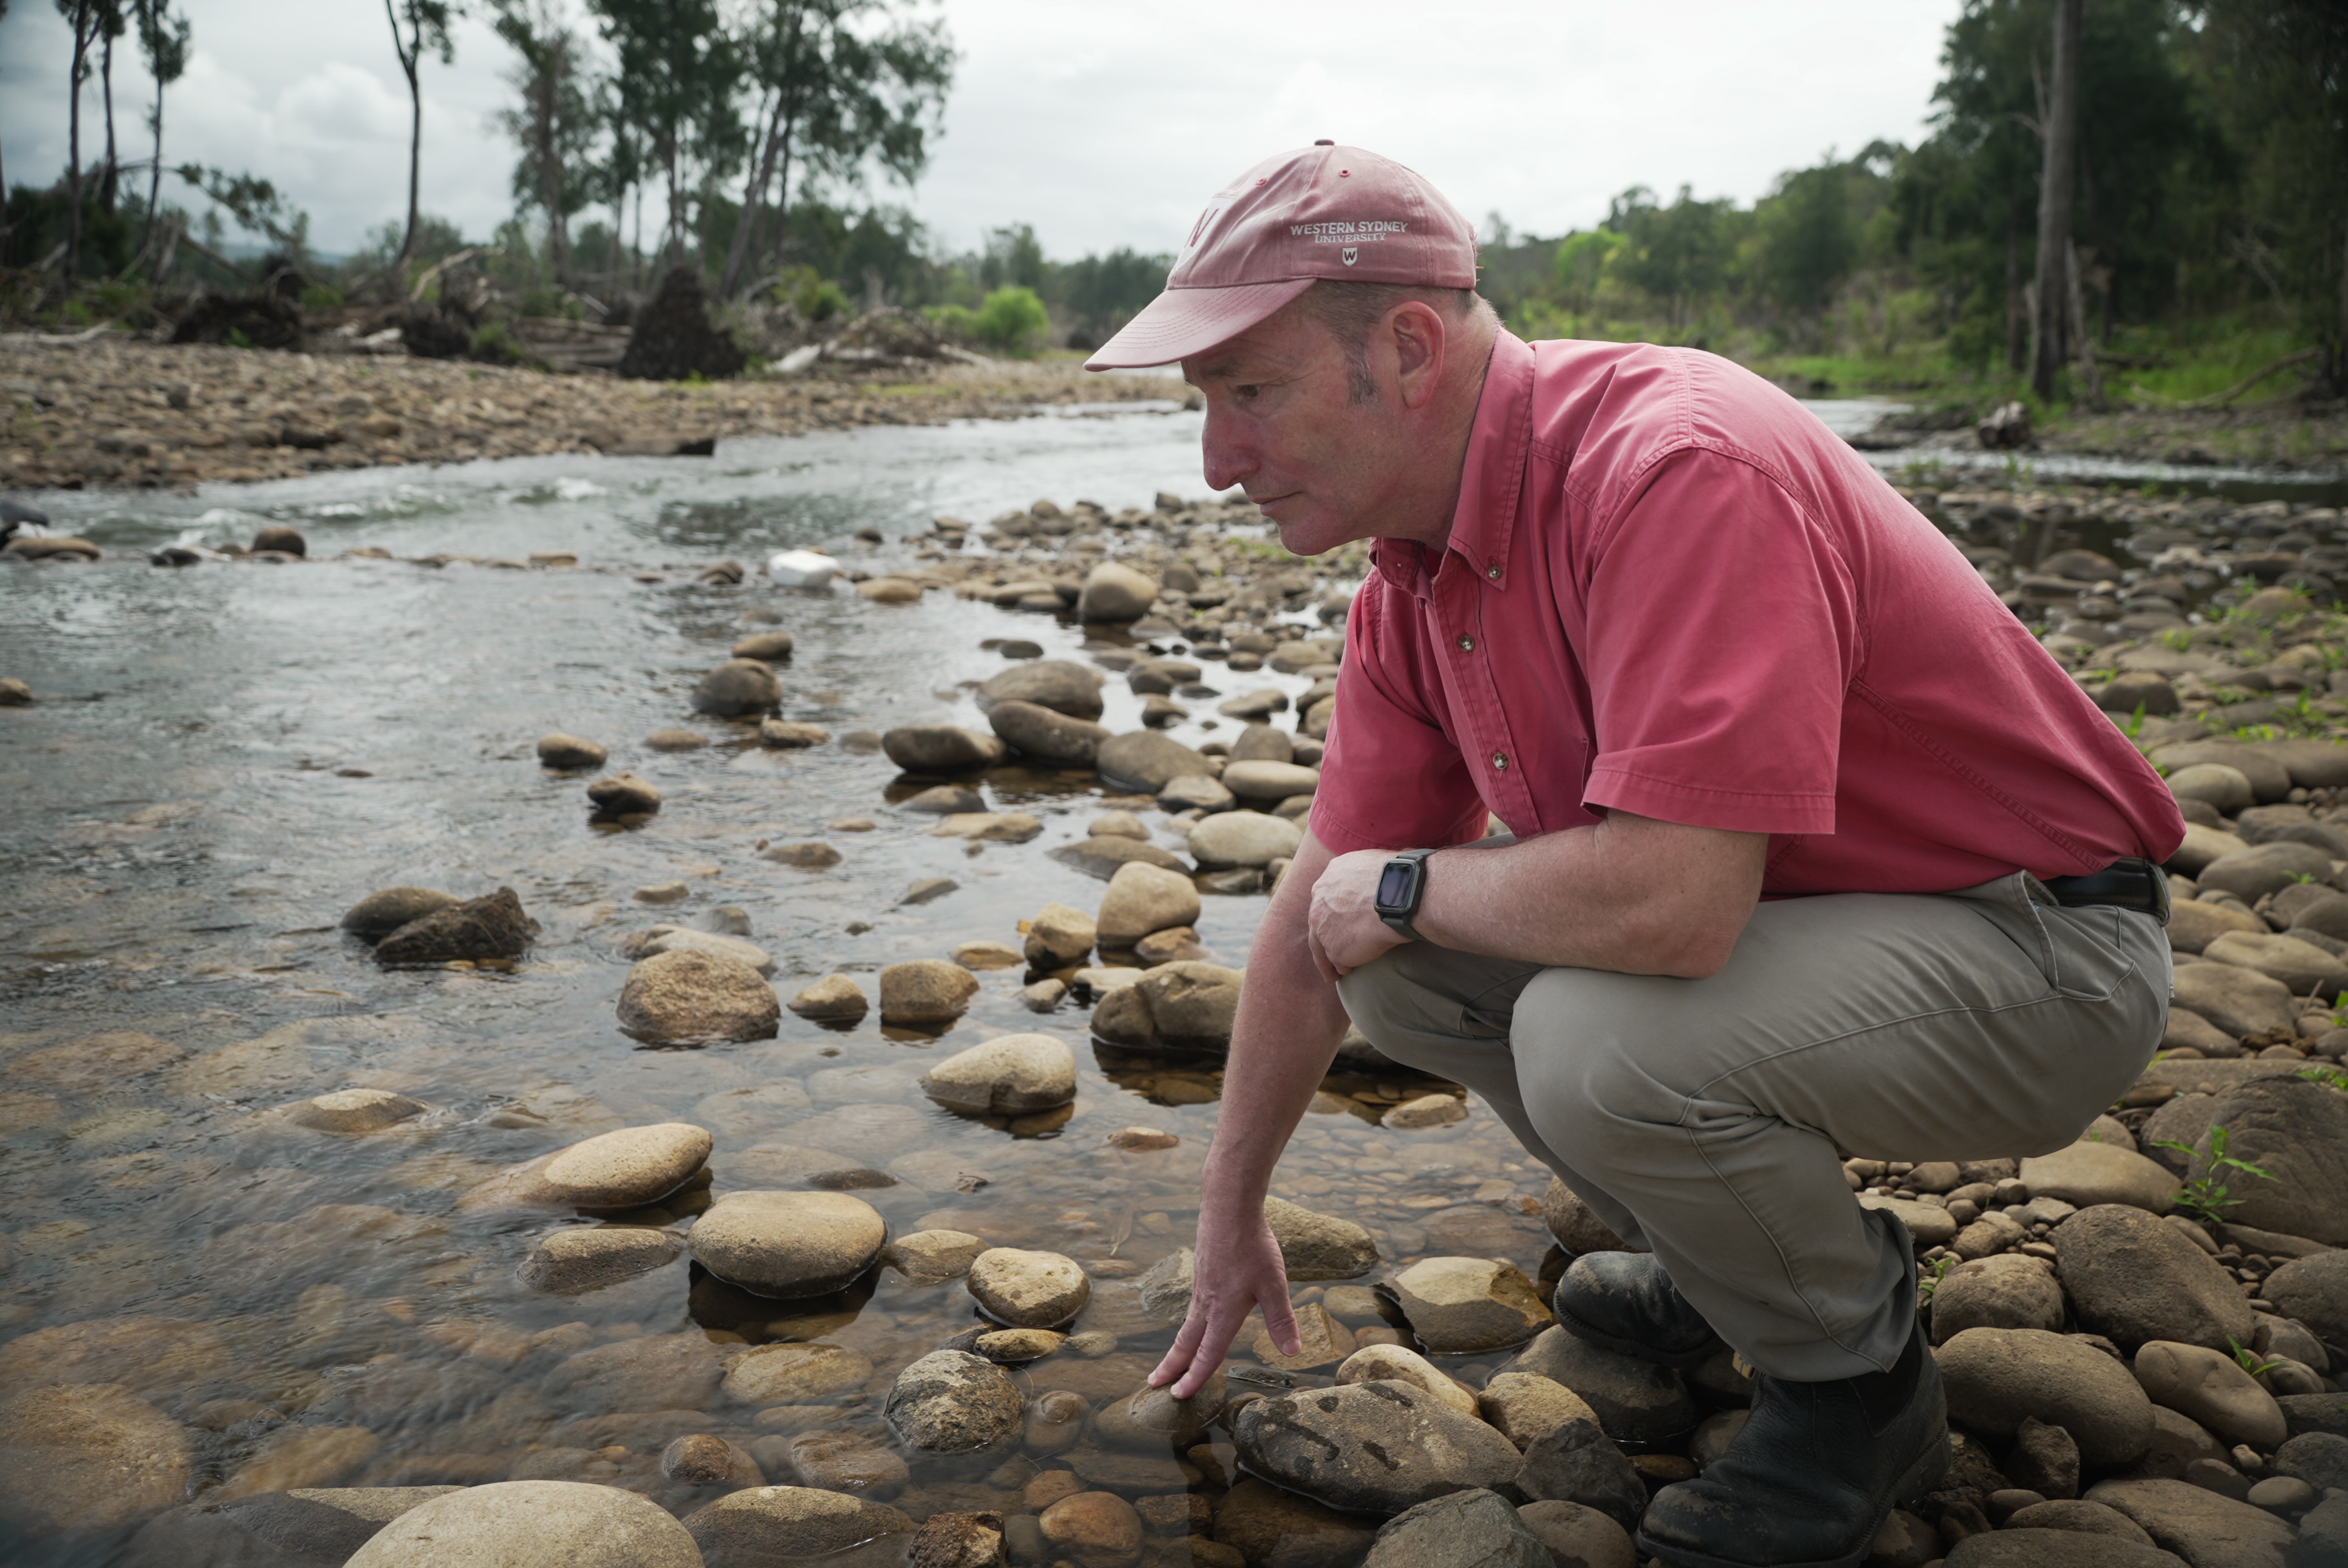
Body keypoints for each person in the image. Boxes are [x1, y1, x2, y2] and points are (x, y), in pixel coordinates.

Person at [1084, 142, 2184, 1568]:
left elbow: (1673, 904)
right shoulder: (1415, 579)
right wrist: (1229, 1216)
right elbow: (1323, 911)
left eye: (1251, 393)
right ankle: (1740, 1267)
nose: (1217, 461)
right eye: (1205, 403)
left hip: (2044, 947)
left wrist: (1407, 884)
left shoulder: (1673, 468)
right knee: (1400, 974)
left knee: (1592, 1038)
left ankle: (1860, 1394)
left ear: (1408, 349)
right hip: (1840, 936)